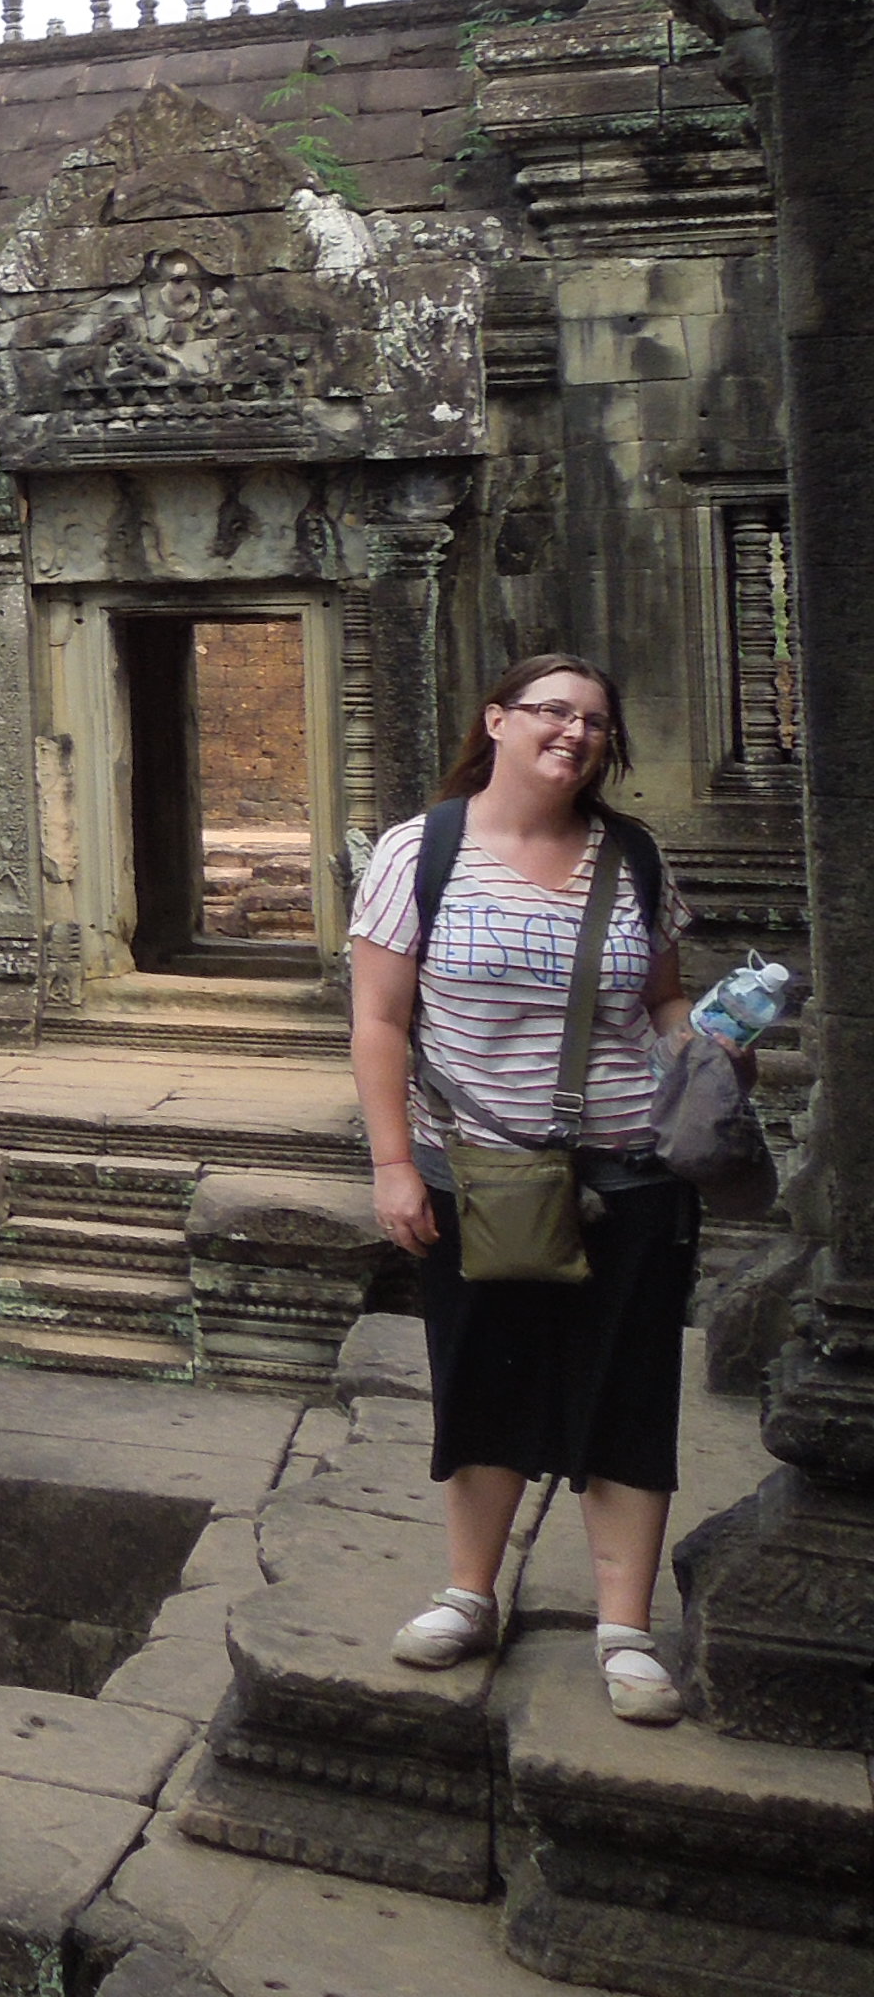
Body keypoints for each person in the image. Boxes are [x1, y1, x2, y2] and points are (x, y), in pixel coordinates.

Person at [346, 652, 726, 1725]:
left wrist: (705, 1052)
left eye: (594, 722)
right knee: (484, 1378)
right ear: (497, 720)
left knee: (628, 1389)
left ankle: (624, 1629)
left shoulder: (634, 857)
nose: (574, 733)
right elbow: (378, 1020)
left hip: (631, 1171)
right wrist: (391, 1164)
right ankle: (469, 1594)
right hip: (480, 1170)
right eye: (552, 712)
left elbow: (661, 1003)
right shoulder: (421, 853)